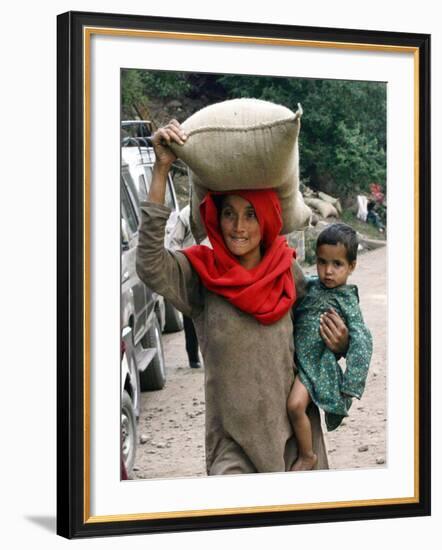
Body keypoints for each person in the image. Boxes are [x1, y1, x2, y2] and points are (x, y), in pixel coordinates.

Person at [136, 119, 349, 475]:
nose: (239, 226)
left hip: (295, 445)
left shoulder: (288, 272)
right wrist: (161, 170)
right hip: (231, 448)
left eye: (251, 214)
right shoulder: (199, 275)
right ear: (215, 219)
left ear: (266, 218)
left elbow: (318, 340)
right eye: (229, 214)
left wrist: (340, 344)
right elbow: (149, 264)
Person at [287, 223, 373, 471]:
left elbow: (362, 340)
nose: (328, 271)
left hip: (313, 366)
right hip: (293, 358)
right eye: (322, 262)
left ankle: (307, 455)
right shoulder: (310, 286)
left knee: (295, 406)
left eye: (337, 265)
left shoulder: (347, 300)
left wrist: (350, 385)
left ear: (351, 266)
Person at [168, 204, 202, 369]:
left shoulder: (218, 206)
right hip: (191, 272)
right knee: (190, 316)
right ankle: (193, 357)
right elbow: (174, 242)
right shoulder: (186, 213)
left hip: (214, 271)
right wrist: (183, 263)